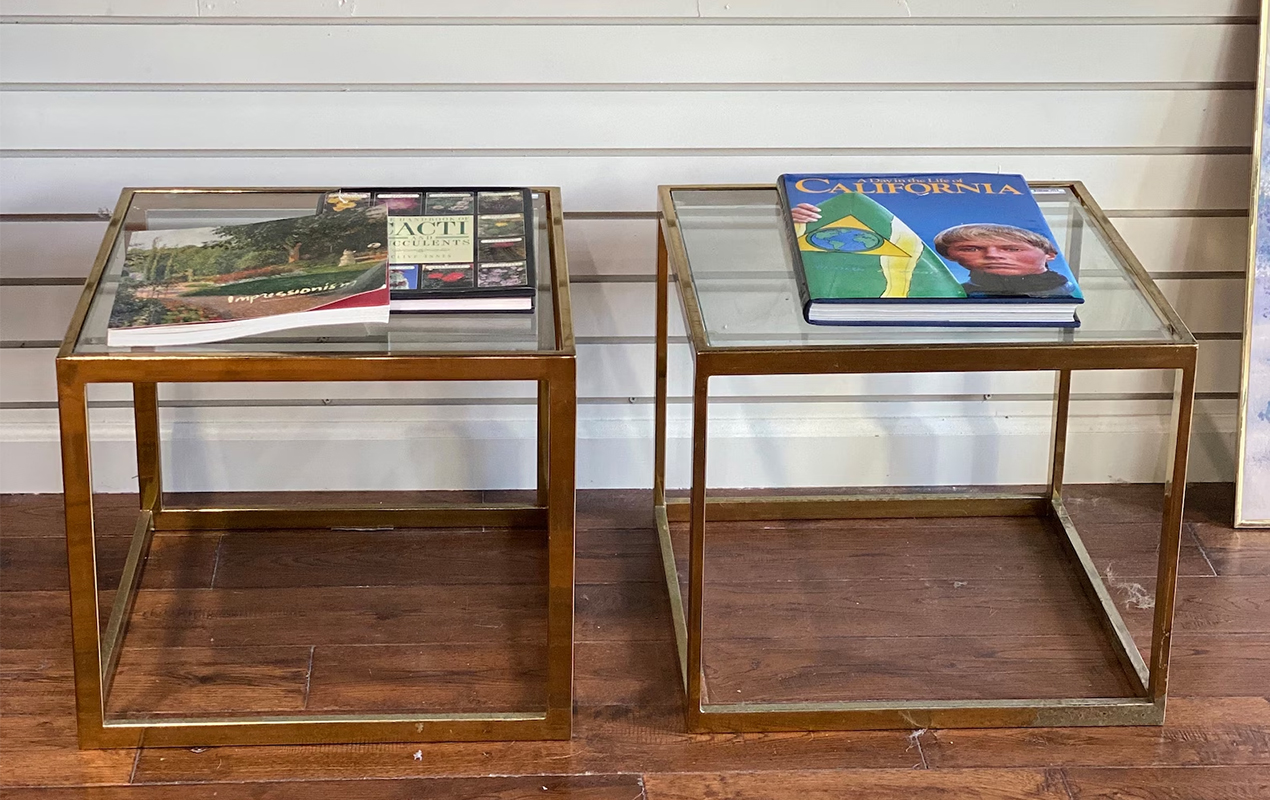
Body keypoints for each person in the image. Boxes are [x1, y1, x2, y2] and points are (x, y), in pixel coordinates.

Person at [933, 223, 1075, 297]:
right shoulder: (953, 293)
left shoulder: (1069, 292)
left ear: (1050, 254)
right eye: (971, 249)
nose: (992, 255)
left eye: (1012, 249)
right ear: (948, 255)